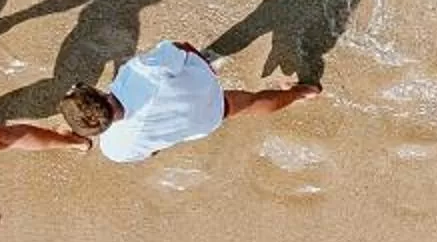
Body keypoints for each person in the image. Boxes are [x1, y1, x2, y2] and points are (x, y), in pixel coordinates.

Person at [60, 39, 318, 163]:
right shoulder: (137, 72)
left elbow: (153, 151)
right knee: (249, 101)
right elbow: (179, 49)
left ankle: (300, 95)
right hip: (201, 81)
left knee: (245, 106)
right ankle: (299, 91)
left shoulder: (115, 149)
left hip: (204, 119)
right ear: (99, 93)